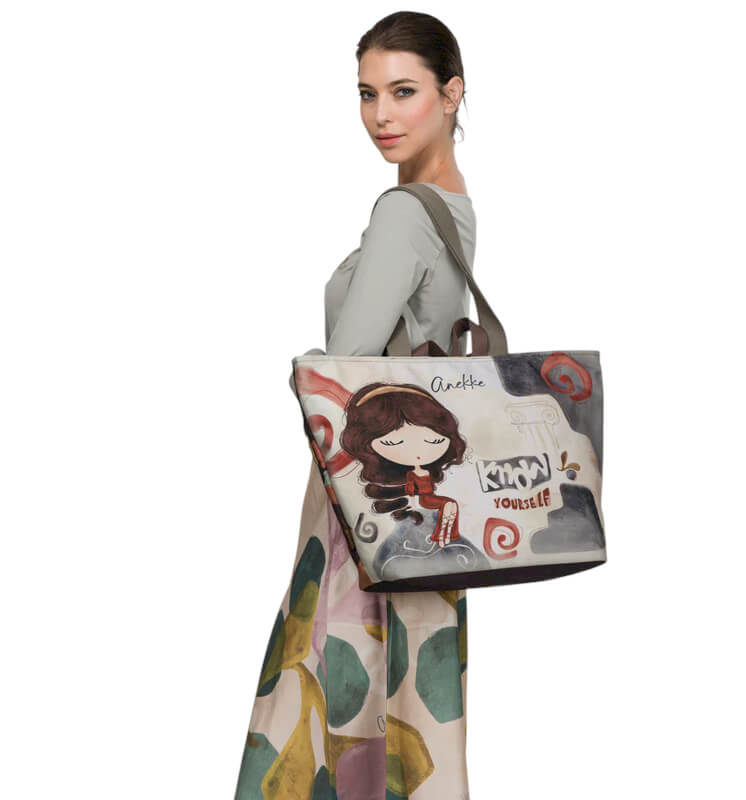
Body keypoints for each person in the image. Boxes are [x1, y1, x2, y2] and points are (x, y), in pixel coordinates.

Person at [234, 12, 475, 800]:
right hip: (423, 498)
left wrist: (303, 370)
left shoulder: (404, 213)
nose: (380, 115)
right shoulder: (452, 206)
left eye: (403, 92)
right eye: (368, 94)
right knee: (404, 694)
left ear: (452, 94)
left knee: (329, 686)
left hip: (366, 491)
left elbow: (344, 367)